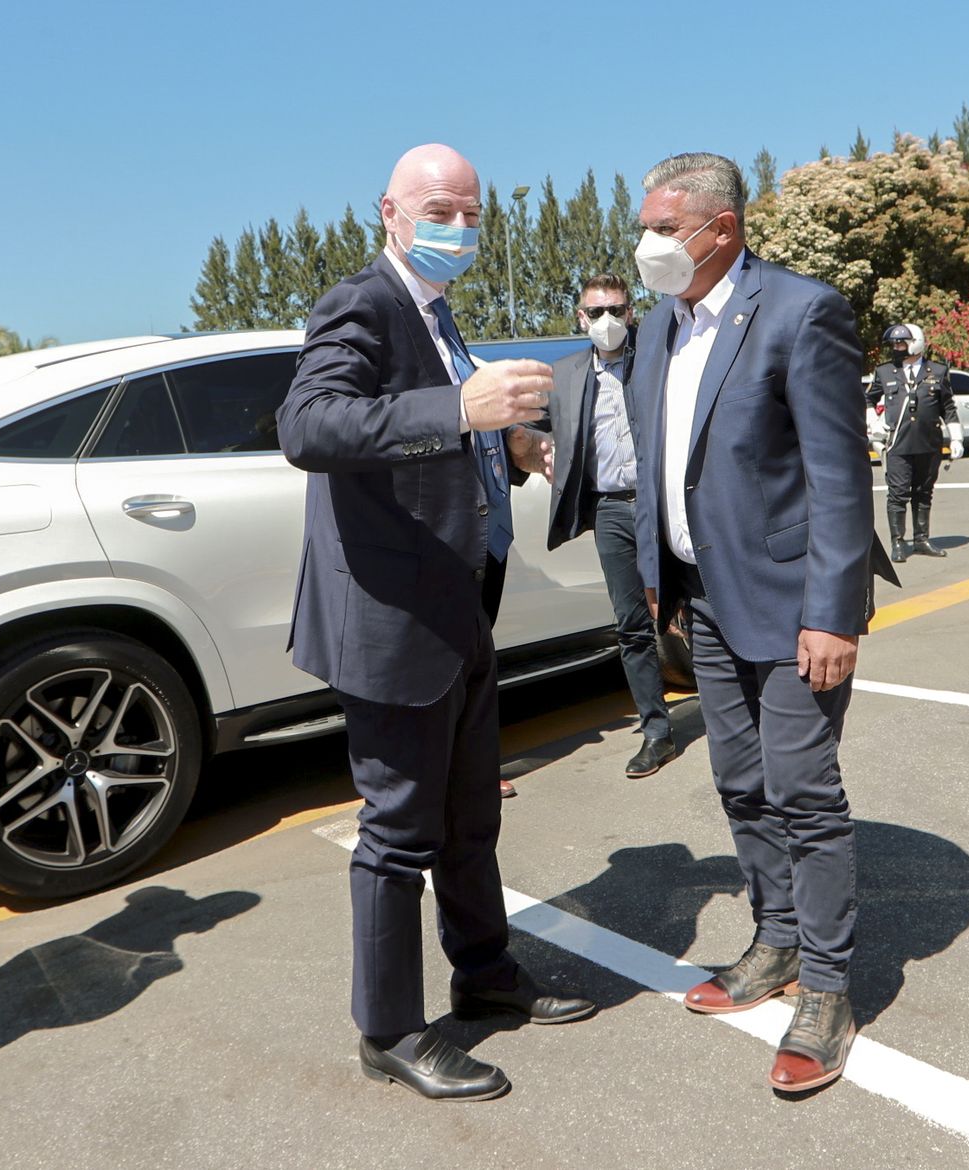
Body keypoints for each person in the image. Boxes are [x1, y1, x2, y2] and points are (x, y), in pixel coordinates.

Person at [276, 144, 594, 1104]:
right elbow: (312, 427)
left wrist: (511, 441)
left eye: (472, 210)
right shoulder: (363, 303)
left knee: (471, 816)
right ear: (390, 211)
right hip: (393, 618)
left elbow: (441, 441)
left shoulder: (439, 312)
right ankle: (389, 1029)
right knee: (399, 832)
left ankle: (485, 972)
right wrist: (458, 404)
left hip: (459, 606)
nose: (458, 224)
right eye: (440, 207)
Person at [628, 152, 898, 1093]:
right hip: (703, 598)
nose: (649, 243)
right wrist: (659, 576)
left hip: (791, 607)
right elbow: (669, 465)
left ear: (722, 229)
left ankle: (827, 987)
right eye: (648, 225)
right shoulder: (662, 328)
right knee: (740, 780)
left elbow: (836, 473)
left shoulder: (799, 310)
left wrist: (833, 611)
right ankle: (775, 940)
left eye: (665, 227)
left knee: (802, 791)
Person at [542, 273, 676, 778]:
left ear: (631, 313)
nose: (606, 321)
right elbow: (528, 430)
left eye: (616, 310)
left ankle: (736, 707)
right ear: (580, 317)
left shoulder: (657, 359)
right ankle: (657, 730)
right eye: (595, 312)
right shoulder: (566, 374)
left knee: (699, 604)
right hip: (611, 510)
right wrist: (535, 451)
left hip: (663, 503)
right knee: (632, 625)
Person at [875, 323, 963, 562]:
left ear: (915, 343)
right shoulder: (884, 372)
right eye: (894, 343)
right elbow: (867, 399)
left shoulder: (938, 370)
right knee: (898, 494)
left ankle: (922, 539)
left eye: (900, 343)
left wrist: (956, 437)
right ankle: (898, 542)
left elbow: (948, 407)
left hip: (929, 444)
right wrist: (873, 422)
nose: (896, 347)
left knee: (924, 492)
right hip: (898, 445)